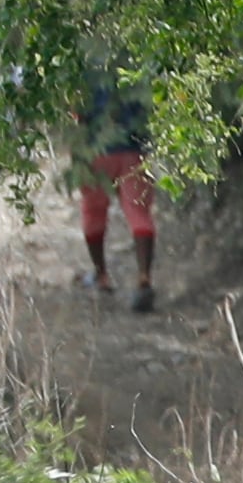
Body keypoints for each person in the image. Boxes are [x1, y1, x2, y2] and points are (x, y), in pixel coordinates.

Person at [75, 71, 160, 312]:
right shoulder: (134, 61)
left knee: (93, 212)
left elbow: (77, 112)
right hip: (134, 149)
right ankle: (144, 277)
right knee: (138, 213)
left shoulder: (85, 64)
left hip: (95, 150)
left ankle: (101, 275)